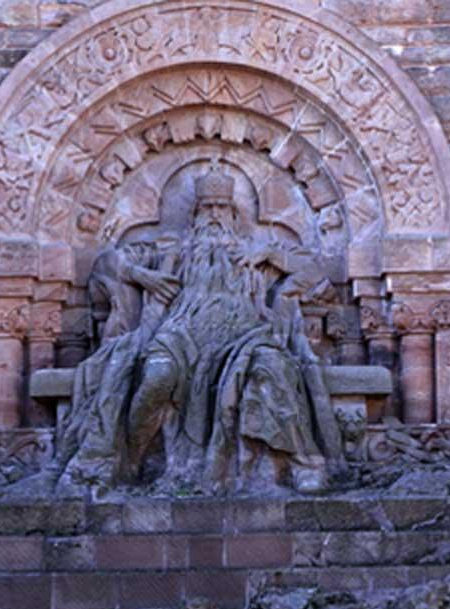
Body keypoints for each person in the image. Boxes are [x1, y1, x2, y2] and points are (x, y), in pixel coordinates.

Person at [41, 165, 346, 494]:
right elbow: (104, 263)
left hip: (246, 336)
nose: (214, 215)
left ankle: (303, 462)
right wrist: (144, 276)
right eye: (207, 208)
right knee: (157, 376)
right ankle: (129, 459)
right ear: (195, 215)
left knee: (274, 368)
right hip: (178, 337)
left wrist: (271, 255)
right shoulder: (170, 250)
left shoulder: (256, 254)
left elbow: (316, 276)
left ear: (233, 214)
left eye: (222, 207)